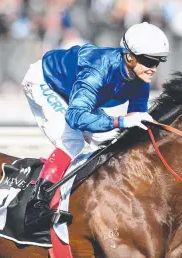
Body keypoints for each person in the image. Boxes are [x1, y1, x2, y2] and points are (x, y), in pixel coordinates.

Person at [21, 22, 170, 231]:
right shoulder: (98, 68)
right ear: (129, 56)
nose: (153, 69)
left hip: (73, 94)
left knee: (107, 140)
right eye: (148, 61)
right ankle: (37, 205)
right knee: (73, 141)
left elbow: (136, 120)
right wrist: (120, 120)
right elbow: (75, 116)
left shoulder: (140, 80)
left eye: (158, 62)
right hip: (46, 82)